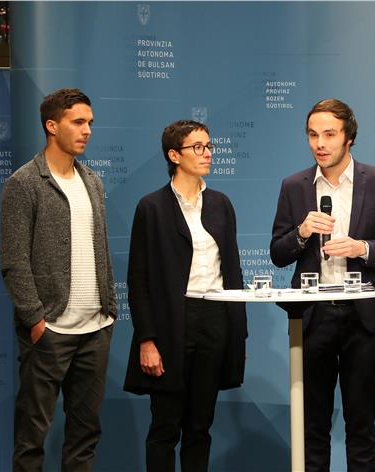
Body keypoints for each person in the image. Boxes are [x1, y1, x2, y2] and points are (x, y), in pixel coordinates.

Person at [270, 98, 375, 471]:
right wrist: (301, 233)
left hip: (362, 320)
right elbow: (278, 253)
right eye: (313, 135)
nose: (320, 143)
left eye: (329, 134)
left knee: (361, 425)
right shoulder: (293, 186)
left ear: (349, 137)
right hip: (312, 318)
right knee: (312, 425)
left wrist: (361, 248)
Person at [0, 88, 116, 471]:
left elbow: (101, 250)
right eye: (78, 122)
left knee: (85, 437)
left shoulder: (93, 182)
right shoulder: (24, 183)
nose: (87, 131)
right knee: (31, 439)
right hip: (49, 331)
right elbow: (14, 260)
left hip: (95, 330)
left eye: (90, 123)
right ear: (52, 126)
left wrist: (109, 312)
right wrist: (36, 320)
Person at [122, 119, 247, 471]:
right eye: (197, 147)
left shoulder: (221, 204)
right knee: (165, 427)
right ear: (174, 155)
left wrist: (239, 334)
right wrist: (147, 339)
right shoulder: (151, 207)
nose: (207, 153)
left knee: (199, 427)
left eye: (209, 146)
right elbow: (138, 279)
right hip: (171, 324)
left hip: (215, 319)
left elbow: (233, 271)